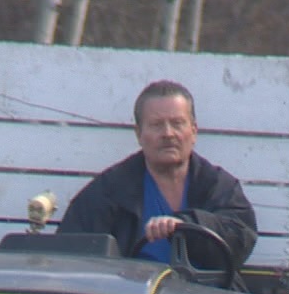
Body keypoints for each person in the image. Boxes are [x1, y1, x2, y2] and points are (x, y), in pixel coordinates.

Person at [59, 81, 257, 274]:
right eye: (156, 125)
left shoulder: (219, 186)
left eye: (177, 123)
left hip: (207, 293)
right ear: (139, 134)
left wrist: (186, 226)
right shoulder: (107, 192)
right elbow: (70, 257)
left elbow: (241, 240)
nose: (168, 134)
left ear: (194, 131)